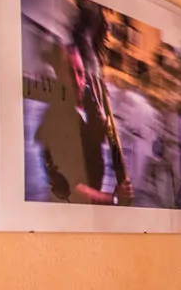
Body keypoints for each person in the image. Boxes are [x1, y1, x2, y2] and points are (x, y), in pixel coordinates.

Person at [35, 42, 132, 205]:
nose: (77, 81)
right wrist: (114, 199)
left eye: (80, 73)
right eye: (70, 73)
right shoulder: (54, 121)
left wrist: (102, 125)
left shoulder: (91, 105)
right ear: (59, 75)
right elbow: (72, 189)